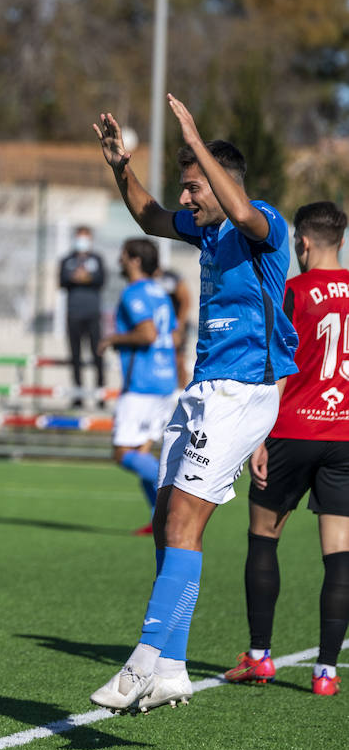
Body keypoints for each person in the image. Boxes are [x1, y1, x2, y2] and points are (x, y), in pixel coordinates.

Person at [88, 94, 298, 714]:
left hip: (243, 393)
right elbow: (149, 217)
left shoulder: (263, 222)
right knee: (165, 521)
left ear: (221, 182)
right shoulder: (204, 230)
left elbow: (239, 207)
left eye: (193, 187)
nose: (185, 198)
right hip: (202, 390)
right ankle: (174, 667)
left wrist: (195, 138)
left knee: (184, 521)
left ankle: (142, 663)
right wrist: (119, 165)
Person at [226, 201, 349, 697]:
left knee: (263, 538)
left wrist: (257, 436)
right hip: (343, 437)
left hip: (292, 430)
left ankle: (260, 656)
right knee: (339, 553)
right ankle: (326, 673)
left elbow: (278, 366)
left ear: (302, 242)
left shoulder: (294, 290)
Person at [98, 238, 178, 535]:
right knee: (141, 450)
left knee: (123, 454)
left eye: (122, 256)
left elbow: (147, 334)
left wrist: (112, 339)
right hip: (163, 379)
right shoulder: (161, 293)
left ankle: (174, 490)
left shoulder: (134, 293)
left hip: (142, 383)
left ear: (133, 260)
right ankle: (160, 519)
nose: (119, 262)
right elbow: (173, 337)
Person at [59, 225, 107, 408]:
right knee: (75, 356)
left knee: (97, 354)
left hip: (93, 313)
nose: (82, 242)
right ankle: (78, 394)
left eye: (85, 238)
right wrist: (79, 278)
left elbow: (100, 279)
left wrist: (85, 278)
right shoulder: (67, 260)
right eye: (79, 237)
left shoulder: (97, 259)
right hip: (73, 314)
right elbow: (63, 280)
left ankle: (100, 393)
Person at [157, 265, 195, 388]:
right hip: (159, 325)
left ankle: (181, 389)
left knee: (178, 358)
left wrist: (179, 324)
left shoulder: (171, 277)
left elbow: (186, 300)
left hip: (175, 324)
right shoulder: (147, 280)